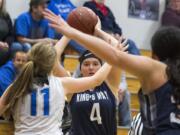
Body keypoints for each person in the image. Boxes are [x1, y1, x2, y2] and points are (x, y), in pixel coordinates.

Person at [44, 10, 180, 134]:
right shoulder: (73, 86)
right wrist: (72, 34)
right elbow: (53, 59)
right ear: (80, 68)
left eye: (95, 63)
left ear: (154, 55)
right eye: (86, 64)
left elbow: (115, 52)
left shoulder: (110, 84)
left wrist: (72, 31)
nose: (91, 67)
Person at [0, 35, 113, 135]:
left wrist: (68, 33)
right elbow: (96, 80)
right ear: (52, 64)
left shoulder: (17, 86)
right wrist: (113, 55)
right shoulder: (61, 84)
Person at [0, 0, 15, 66]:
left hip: (4, 45)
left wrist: (7, 43)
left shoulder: (5, 15)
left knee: (16, 47)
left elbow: (11, 34)